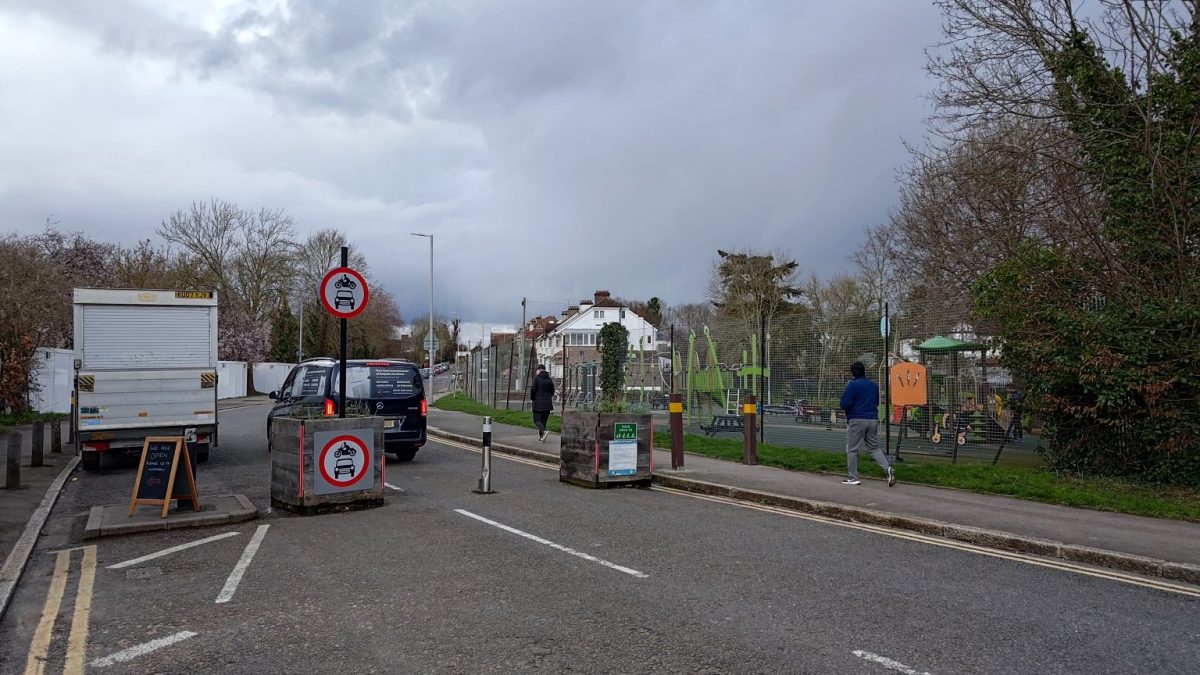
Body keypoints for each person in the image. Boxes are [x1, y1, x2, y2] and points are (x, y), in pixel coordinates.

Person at [839, 361, 896, 487]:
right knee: (874, 447)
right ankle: (887, 469)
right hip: (873, 419)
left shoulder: (852, 385)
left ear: (852, 372)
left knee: (852, 449)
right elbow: (876, 402)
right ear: (864, 371)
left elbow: (844, 404)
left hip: (857, 419)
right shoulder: (873, 385)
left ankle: (853, 477)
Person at [530, 364, 555, 442]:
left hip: (538, 403)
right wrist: (548, 397)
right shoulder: (549, 379)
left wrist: (533, 398)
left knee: (536, 420)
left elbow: (533, 390)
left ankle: (544, 431)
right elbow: (552, 391)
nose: (536, 371)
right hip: (548, 403)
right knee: (543, 421)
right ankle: (541, 437)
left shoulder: (537, 379)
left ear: (540, 370)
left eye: (537, 370)